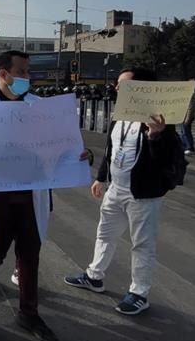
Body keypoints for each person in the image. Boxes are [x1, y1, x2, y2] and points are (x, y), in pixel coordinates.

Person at [0, 51, 91, 341]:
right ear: (3, 74)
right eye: (22, 72)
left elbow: (58, 147)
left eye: (28, 72)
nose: (27, 78)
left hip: (31, 198)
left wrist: (78, 156)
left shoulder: (38, 108)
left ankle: (29, 313)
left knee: (29, 258)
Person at [64, 68, 181, 316]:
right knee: (104, 234)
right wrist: (101, 177)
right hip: (115, 189)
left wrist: (155, 136)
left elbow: (166, 161)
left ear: (142, 88)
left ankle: (139, 293)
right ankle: (94, 276)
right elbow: (111, 149)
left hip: (143, 194)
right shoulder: (120, 115)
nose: (117, 88)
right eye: (118, 84)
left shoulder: (162, 120)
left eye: (123, 85)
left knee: (142, 244)